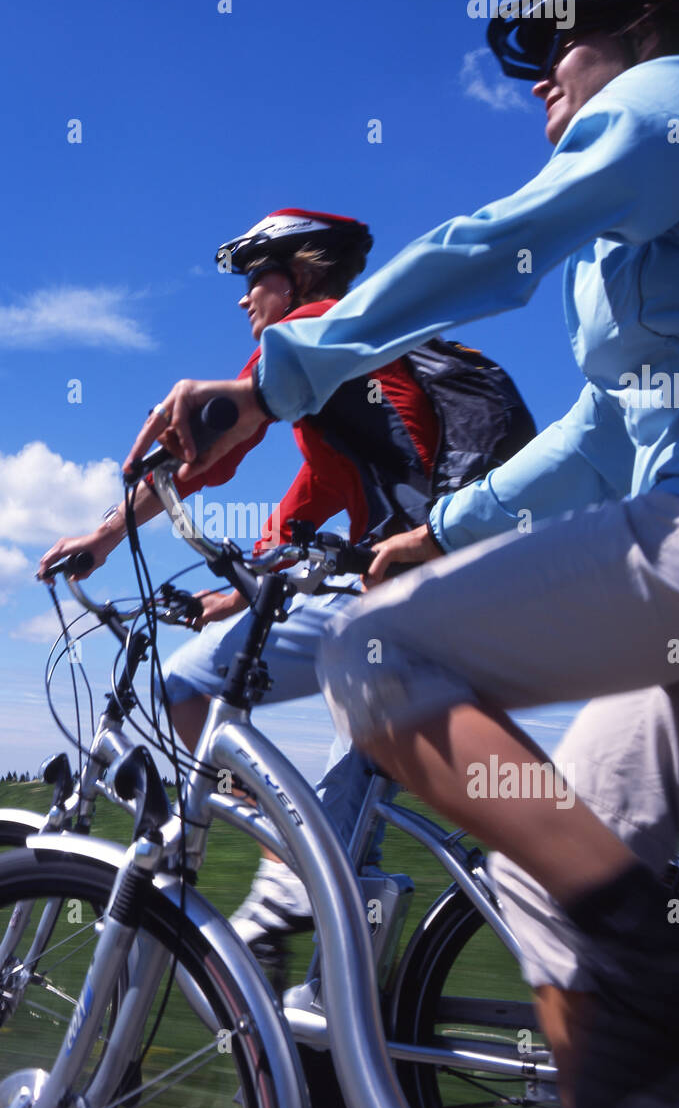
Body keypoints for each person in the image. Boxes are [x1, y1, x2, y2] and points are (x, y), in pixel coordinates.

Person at [124, 0, 679, 1108]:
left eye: (553, 46)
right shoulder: (661, 253)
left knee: (374, 656)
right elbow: (598, 435)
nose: (537, 85)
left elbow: (495, 244)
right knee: (551, 864)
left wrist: (276, 382)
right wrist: (443, 531)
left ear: (639, 27)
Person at [40, 209, 533, 987]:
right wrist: (232, 595)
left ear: (297, 276)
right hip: (455, 582)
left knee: (187, 682)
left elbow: (206, 451)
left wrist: (103, 537)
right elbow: (309, 503)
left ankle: (280, 881)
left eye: (253, 281)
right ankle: (343, 1014)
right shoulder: (354, 383)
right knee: (353, 791)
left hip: (409, 585)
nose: (244, 302)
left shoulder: (316, 330)